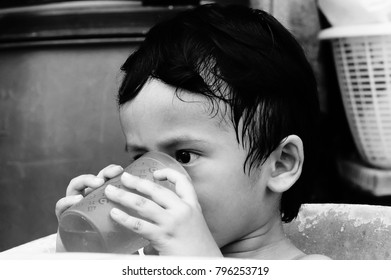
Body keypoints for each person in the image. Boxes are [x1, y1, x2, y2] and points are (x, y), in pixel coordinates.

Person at [55, 4, 329, 259]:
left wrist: (201, 266)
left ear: (280, 164)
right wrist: (84, 254)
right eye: (140, 160)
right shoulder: (148, 259)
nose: (152, 184)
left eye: (184, 156)